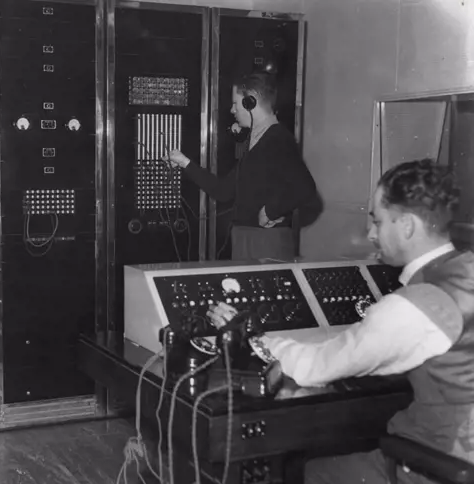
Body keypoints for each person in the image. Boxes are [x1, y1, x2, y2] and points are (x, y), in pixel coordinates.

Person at [208, 158, 473, 483]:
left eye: (377, 221)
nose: (370, 232)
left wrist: (255, 339)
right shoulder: (465, 269)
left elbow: (317, 366)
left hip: (433, 465)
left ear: (406, 226)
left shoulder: (417, 304)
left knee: (302, 471)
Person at [164, 71, 317, 261]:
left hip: (264, 243)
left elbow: (305, 187)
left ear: (250, 102)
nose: (232, 110)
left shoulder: (277, 139)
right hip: (247, 239)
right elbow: (223, 191)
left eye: (236, 104)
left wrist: (271, 211)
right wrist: (184, 162)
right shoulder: (256, 142)